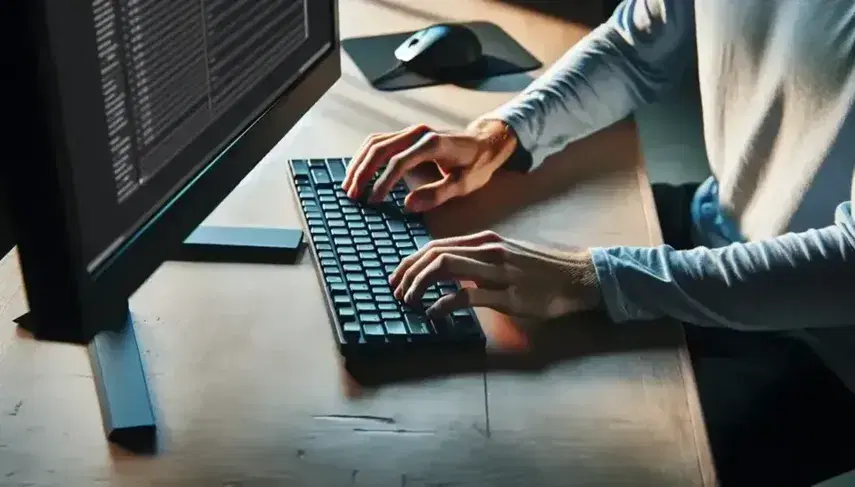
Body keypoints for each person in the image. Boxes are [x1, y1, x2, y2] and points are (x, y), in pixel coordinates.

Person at [344, 1, 855, 485]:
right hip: (715, 225)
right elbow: (637, 48)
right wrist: (502, 135)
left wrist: (598, 277)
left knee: (542, 458)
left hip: (826, 345)